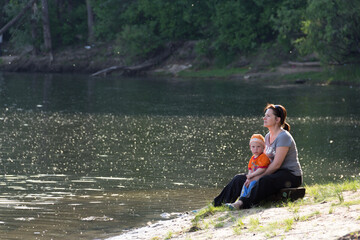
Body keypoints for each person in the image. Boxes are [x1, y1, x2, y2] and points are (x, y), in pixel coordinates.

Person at [214, 104, 303, 209]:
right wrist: (251, 175)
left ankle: (242, 204)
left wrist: (259, 176)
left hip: (290, 175)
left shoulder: (283, 137)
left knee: (263, 180)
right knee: (239, 179)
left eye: (268, 116)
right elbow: (263, 161)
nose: (264, 118)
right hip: (274, 173)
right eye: (265, 115)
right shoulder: (267, 136)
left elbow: (276, 164)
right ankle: (216, 205)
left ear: (278, 119)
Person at [237, 134, 270, 200]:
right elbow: (250, 169)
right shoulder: (252, 158)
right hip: (252, 177)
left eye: (258, 147)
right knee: (245, 185)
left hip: (259, 177)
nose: (256, 149)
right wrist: (248, 178)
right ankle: (242, 198)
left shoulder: (263, 157)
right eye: (253, 147)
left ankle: (248, 200)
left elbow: (262, 169)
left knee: (252, 185)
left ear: (263, 147)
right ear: (250, 147)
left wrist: (252, 175)